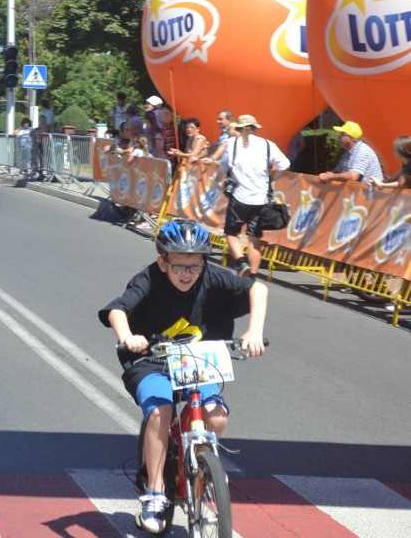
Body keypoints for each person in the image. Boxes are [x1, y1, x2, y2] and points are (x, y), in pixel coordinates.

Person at [98, 218, 267, 534]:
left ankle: (204, 469)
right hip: (152, 360)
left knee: (215, 417)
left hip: (200, 360)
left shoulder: (213, 278)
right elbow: (117, 311)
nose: (187, 273)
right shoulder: (147, 279)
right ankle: (156, 492)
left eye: (195, 265)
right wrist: (127, 336)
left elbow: (258, 287)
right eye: (178, 266)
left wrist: (254, 330)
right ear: (163, 261)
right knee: (161, 412)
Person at [218, 114, 291, 277]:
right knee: (255, 240)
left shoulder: (232, 143)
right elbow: (285, 164)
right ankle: (253, 274)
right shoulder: (267, 144)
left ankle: (241, 263)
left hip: (239, 197)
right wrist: (271, 178)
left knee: (231, 233)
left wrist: (218, 183)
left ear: (238, 128)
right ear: (255, 129)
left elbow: (222, 168)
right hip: (260, 198)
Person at [318, 121, 384, 184]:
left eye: (342, 134)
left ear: (350, 138)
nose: (339, 137)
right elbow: (338, 170)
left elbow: (353, 176)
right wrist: (329, 175)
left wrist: (330, 177)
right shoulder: (347, 152)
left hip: (371, 193)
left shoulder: (363, 151)